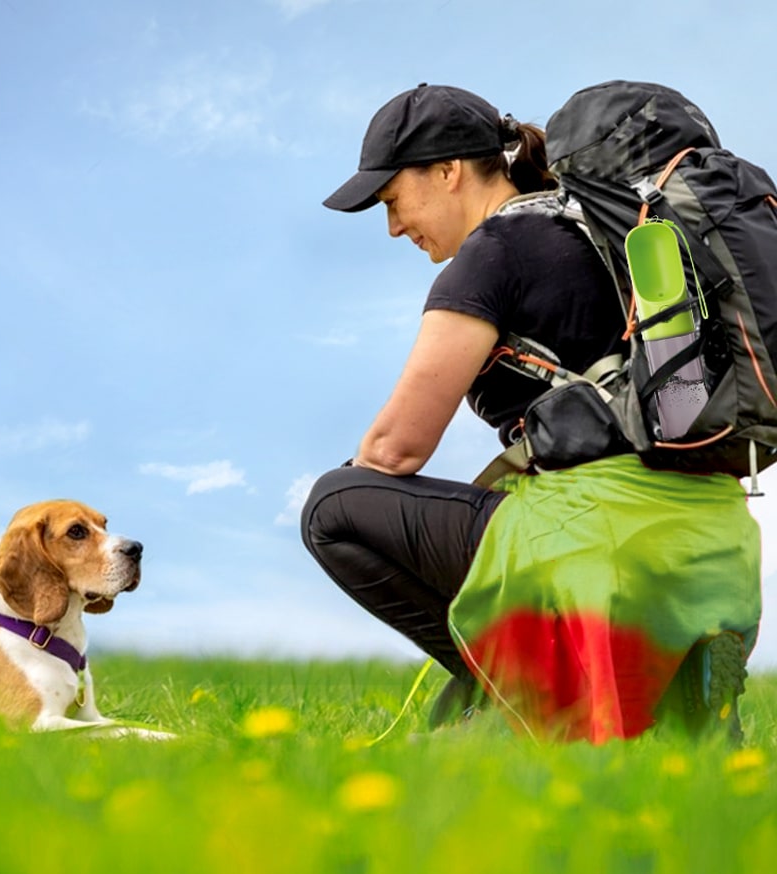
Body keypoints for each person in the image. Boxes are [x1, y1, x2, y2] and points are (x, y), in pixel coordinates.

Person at [300, 83, 761, 743]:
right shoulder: (607, 231)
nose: (394, 226)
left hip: (602, 541)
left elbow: (394, 450)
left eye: (393, 199)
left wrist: (365, 471)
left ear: (448, 171)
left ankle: (540, 705)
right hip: (718, 543)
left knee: (334, 506)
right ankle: (667, 694)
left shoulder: (493, 252)